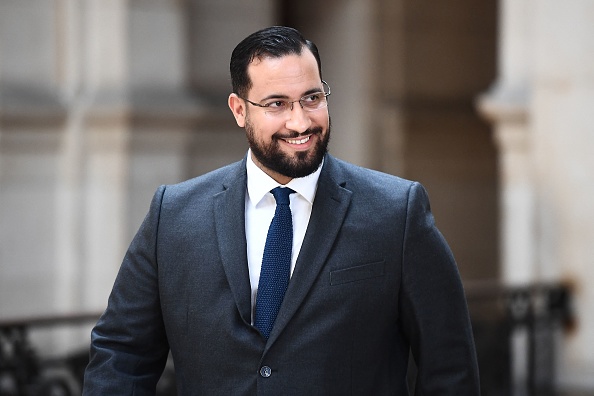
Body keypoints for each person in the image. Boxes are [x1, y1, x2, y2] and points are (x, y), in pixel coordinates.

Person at [83, 26, 480, 395]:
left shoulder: (398, 213)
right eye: (277, 104)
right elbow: (121, 353)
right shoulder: (173, 215)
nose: (300, 121)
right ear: (239, 110)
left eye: (312, 98)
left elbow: (450, 369)